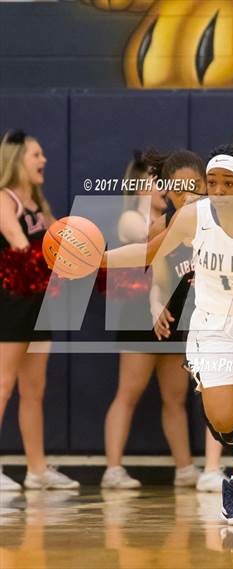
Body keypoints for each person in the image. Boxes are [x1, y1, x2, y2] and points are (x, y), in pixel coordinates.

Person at [103, 145, 233, 524]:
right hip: (215, 324)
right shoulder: (191, 217)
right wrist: (98, 259)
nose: (216, 191)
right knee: (225, 421)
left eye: (226, 184)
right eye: (212, 183)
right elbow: (150, 253)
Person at [102, 151, 204, 489]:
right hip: (138, 314)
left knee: (175, 397)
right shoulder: (132, 217)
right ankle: (113, 468)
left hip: (171, 310)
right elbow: (149, 242)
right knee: (128, 392)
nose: (163, 187)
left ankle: (185, 468)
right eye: (155, 181)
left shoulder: (180, 217)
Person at [0, 129, 79, 491]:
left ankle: (36, 470)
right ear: (17, 160)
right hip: (11, 303)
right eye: (36, 154)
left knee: (34, 390)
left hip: (38, 305)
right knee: (2, 385)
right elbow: (19, 246)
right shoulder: (5, 199)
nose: (43, 160)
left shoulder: (39, 205)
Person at [146, 149, 226, 492]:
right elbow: (158, 282)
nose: (188, 195)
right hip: (187, 320)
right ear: (167, 192)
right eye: (179, 189)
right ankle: (198, 469)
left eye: (195, 186)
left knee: (221, 391)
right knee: (193, 393)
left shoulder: (224, 218)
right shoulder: (161, 228)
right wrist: (155, 307)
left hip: (224, 314)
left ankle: (216, 468)